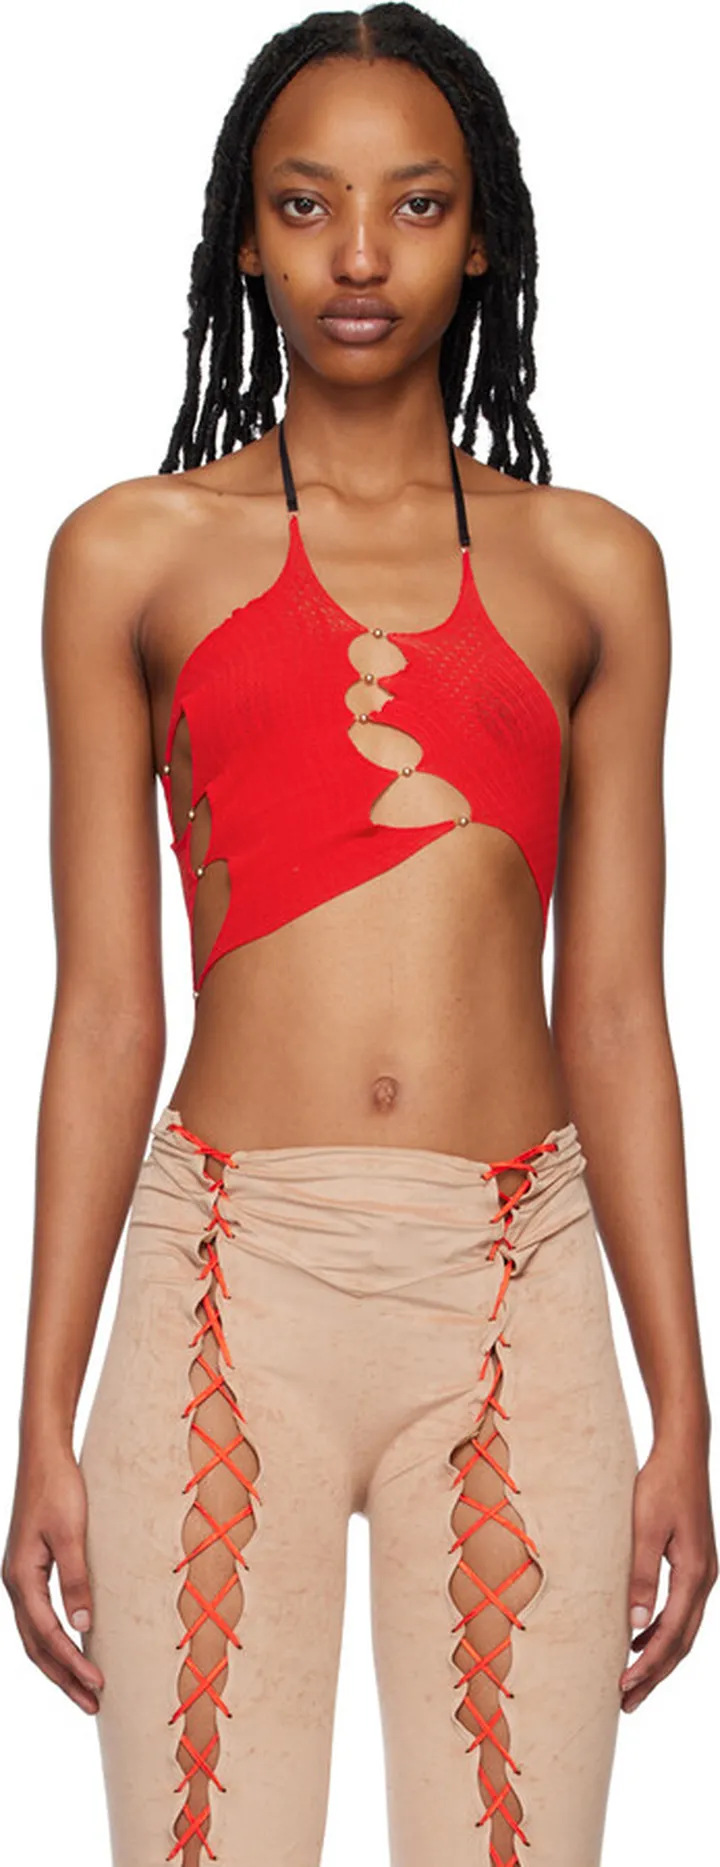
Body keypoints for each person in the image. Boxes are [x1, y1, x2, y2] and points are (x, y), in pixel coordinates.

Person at [3, 6, 716, 1866]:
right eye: (305, 203)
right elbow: (103, 1011)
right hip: (222, 1280)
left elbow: (617, 1011)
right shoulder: (126, 555)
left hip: (518, 1278)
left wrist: (686, 1409)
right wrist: (42, 1416)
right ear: (245, 238)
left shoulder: (596, 567)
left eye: (417, 202)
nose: (359, 253)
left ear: (481, 238)